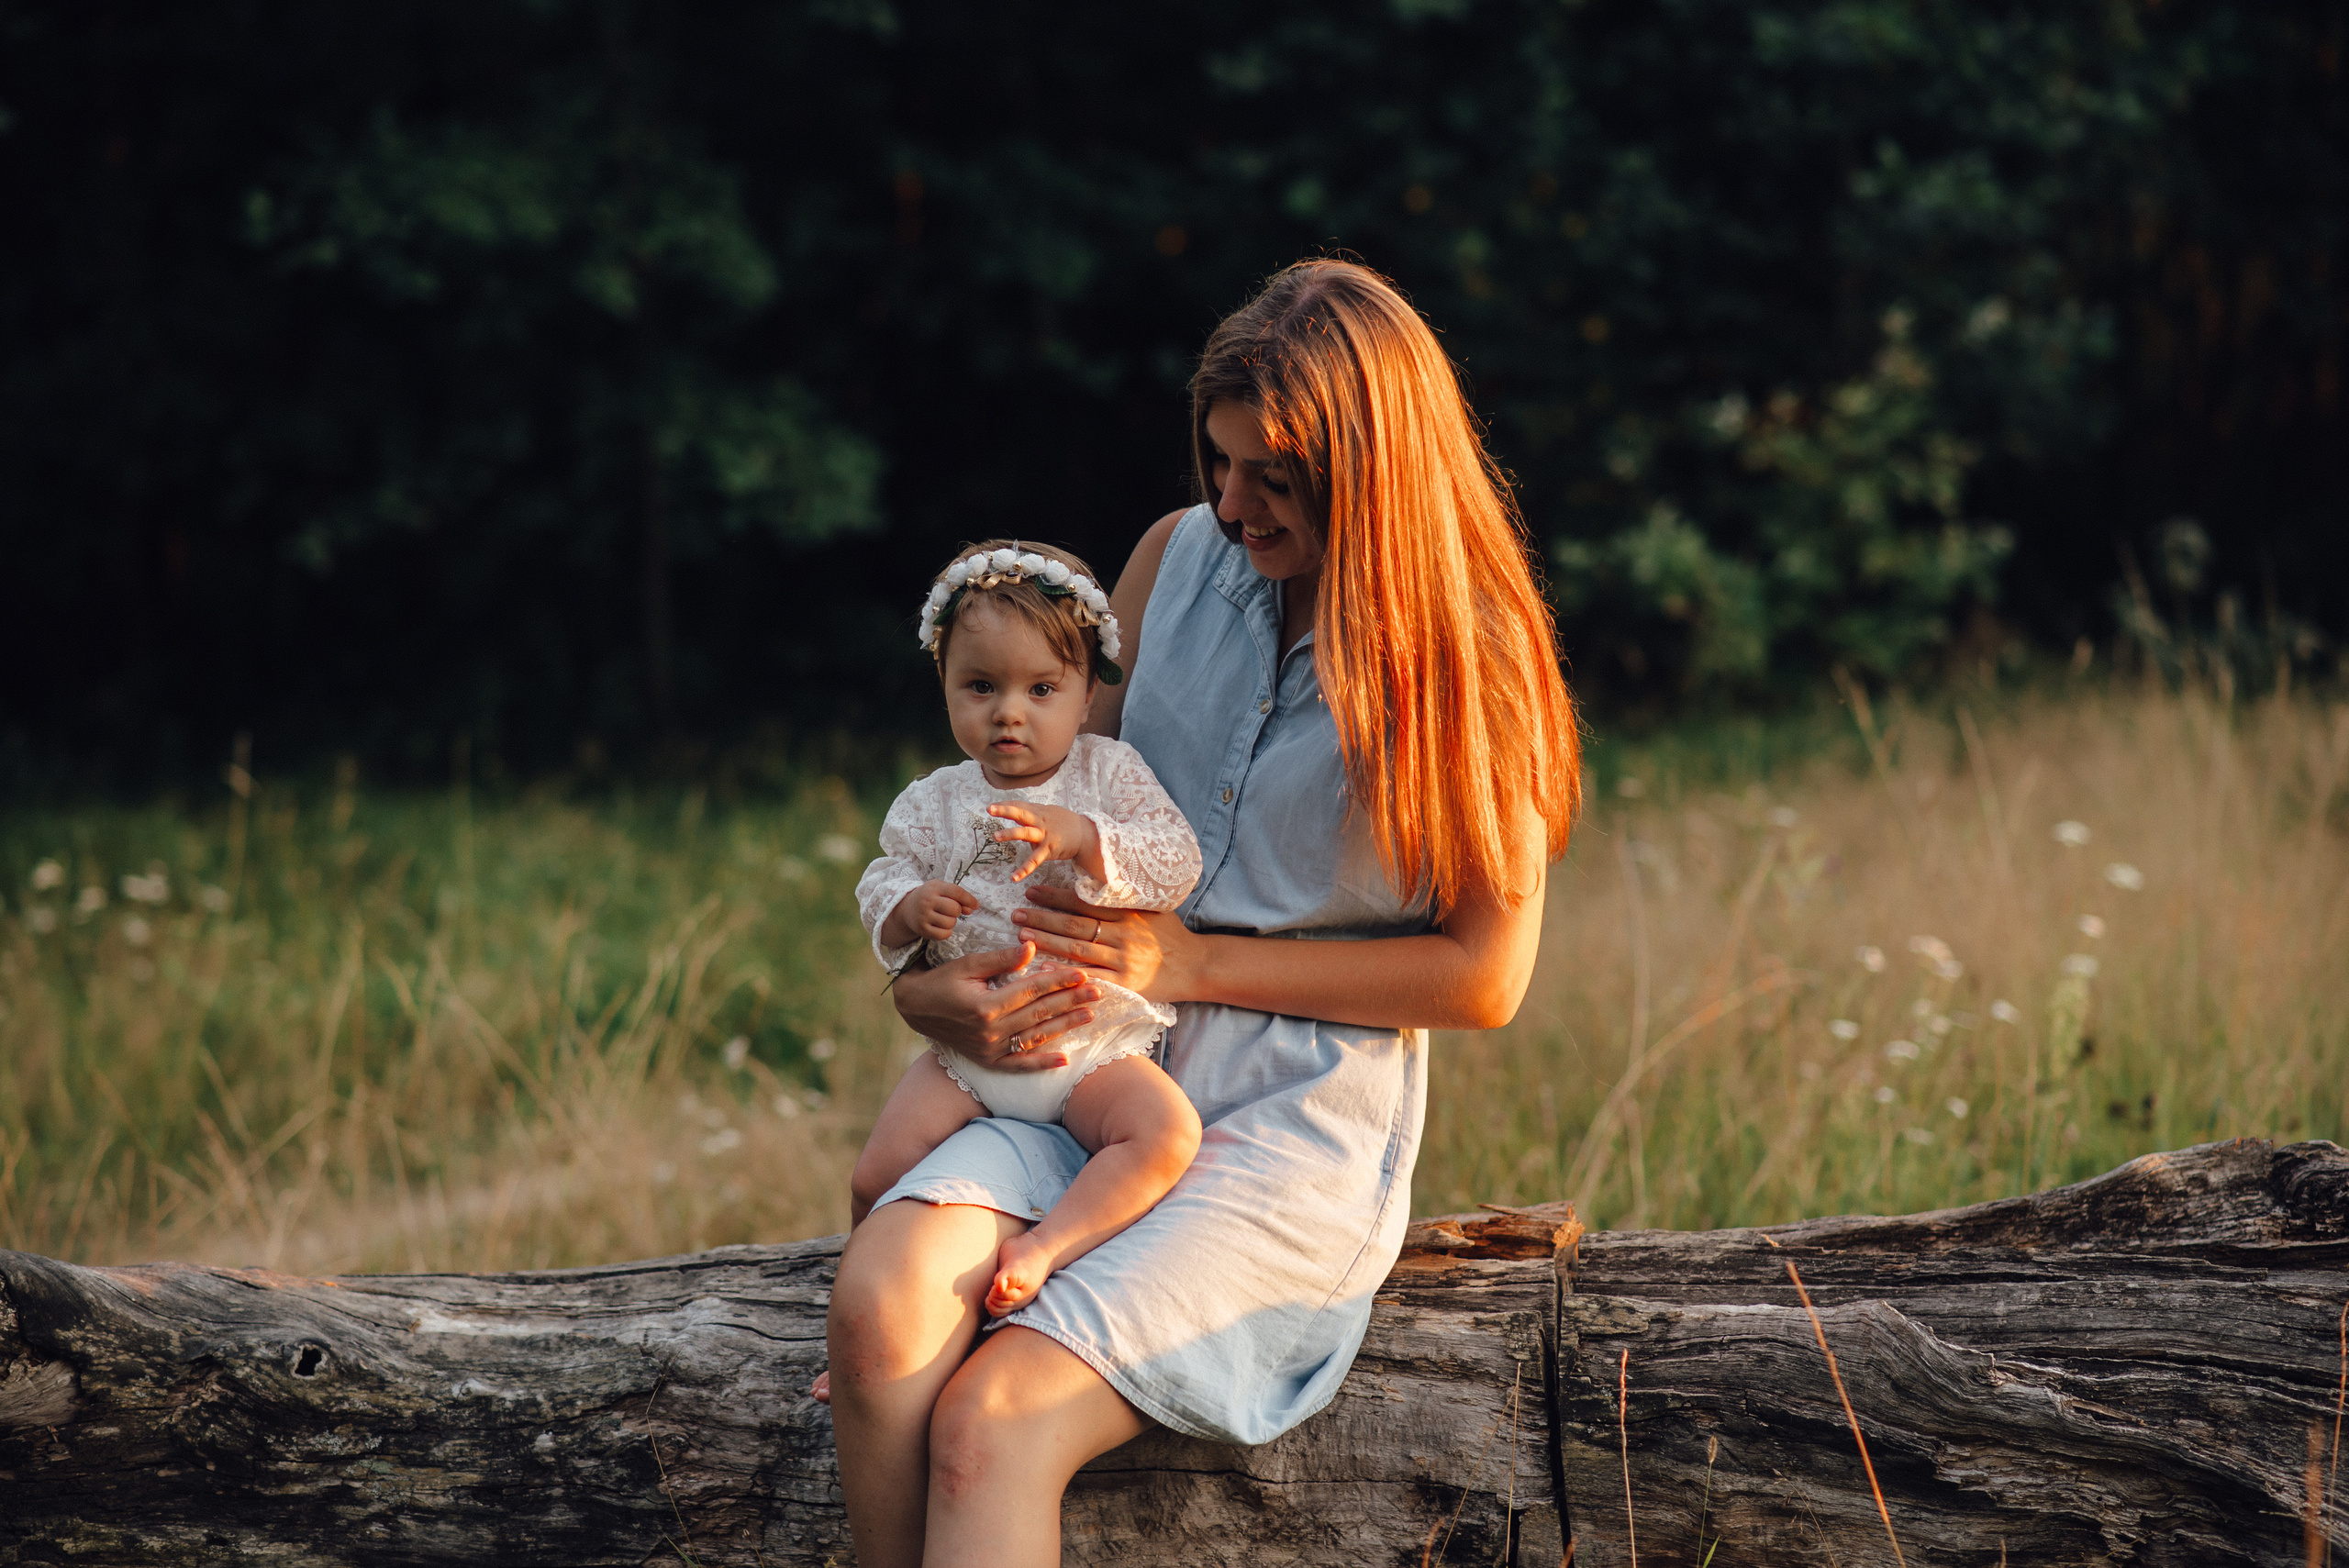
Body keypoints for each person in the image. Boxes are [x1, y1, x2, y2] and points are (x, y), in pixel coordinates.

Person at [822, 258, 1584, 1568]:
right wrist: (927, 990)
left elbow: (1483, 978)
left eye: (1271, 478)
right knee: (882, 1312)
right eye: (1219, 464)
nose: (1230, 505)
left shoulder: (1474, 657)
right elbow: (1048, 813)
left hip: (1286, 1121)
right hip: (1082, 1060)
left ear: (1371, 473)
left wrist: (1193, 958)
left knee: (992, 1421)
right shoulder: (1172, 561)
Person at [850, 539, 1205, 1318]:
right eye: (981, 685)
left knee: (1165, 1135)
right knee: (873, 1178)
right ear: (943, 686)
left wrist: (1082, 835)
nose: (1010, 711)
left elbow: (1177, 860)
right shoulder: (932, 801)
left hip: (1088, 1042)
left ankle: (1046, 1248)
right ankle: (845, 1323)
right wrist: (908, 907)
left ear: (1085, 696)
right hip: (969, 1057)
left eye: (1042, 687)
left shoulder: (1107, 774)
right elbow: (881, 873)